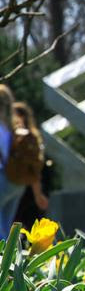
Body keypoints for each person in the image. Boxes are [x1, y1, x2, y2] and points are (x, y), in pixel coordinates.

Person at [11, 102, 49, 229]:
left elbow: (33, 169)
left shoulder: (26, 138)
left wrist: (37, 194)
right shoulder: (29, 137)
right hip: (22, 187)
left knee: (20, 223)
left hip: (24, 188)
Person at [0, 85, 25, 239]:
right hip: (18, 180)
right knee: (7, 221)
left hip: (2, 177)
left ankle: (2, 258)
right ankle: (9, 257)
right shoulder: (14, 125)